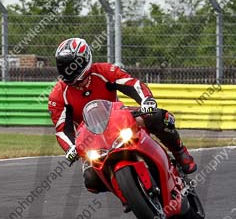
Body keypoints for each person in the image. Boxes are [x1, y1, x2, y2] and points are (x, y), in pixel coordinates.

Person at [47, 38, 197, 193]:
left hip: (120, 119)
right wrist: (71, 148)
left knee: (156, 117)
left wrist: (146, 100)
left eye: (72, 65)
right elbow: (62, 130)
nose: (68, 70)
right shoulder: (58, 95)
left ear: (84, 59)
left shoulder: (104, 71)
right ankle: (127, 192)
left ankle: (180, 152)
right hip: (91, 139)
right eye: (63, 66)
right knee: (91, 180)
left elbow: (131, 83)